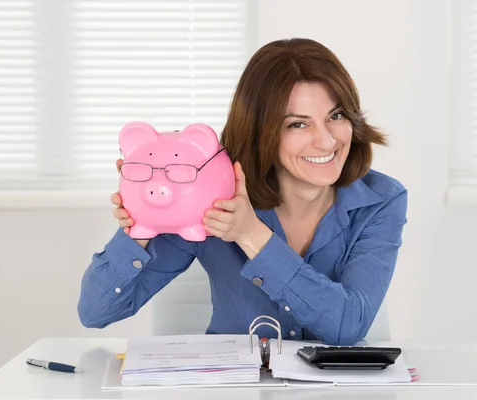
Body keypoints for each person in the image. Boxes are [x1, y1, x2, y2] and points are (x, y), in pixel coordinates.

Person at [77, 38, 408, 346]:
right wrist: (140, 228)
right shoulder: (212, 197)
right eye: (298, 123)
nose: (326, 141)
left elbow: (347, 326)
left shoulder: (380, 200)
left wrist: (252, 235)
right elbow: (97, 312)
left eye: (335, 116)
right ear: (260, 130)